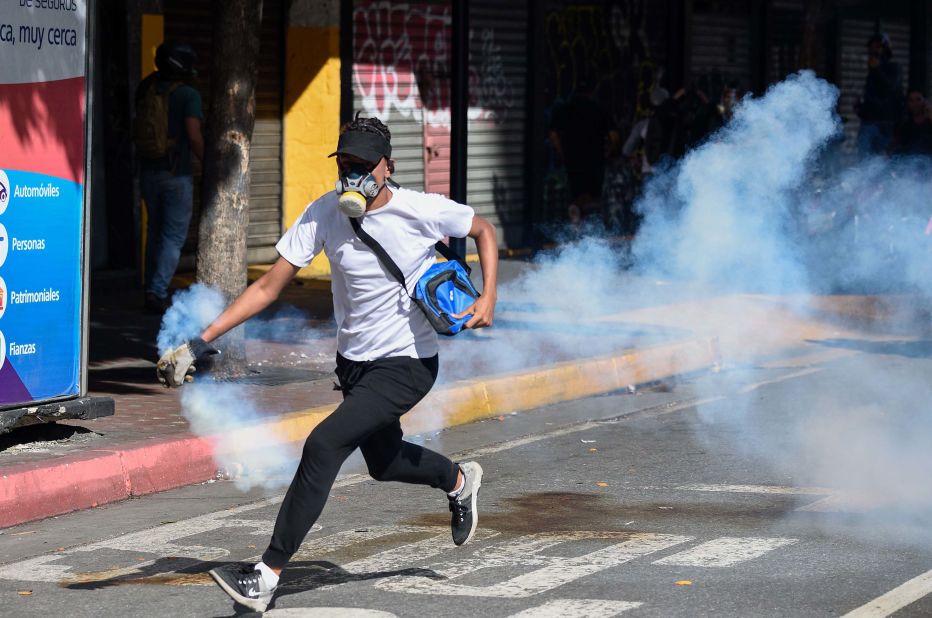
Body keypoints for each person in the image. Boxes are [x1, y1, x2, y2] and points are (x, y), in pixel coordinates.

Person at [155, 115, 499, 612]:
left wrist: (488, 296)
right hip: (354, 364)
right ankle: (459, 480)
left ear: (387, 168)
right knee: (383, 463)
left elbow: (484, 230)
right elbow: (268, 286)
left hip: (407, 363)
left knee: (323, 444)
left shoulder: (420, 209)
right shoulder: (323, 213)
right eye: (345, 165)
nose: (352, 176)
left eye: (363, 166)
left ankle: (266, 574)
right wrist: (199, 341)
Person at [135, 41, 204, 313]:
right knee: (173, 236)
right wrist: (209, 164)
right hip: (177, 174)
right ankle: (157, 290)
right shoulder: (188, 94)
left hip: (148, 172)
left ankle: (150, 287)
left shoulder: (146, 87)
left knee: (154, 232)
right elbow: (194, 135)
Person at [855, 33, 903, 157]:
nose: (874, 50)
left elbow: (889, 90)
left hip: (886, 124)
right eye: (872, 47)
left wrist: (876, 69)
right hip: (869, 123)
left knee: (883, 162)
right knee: (864, 161)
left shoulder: (894, 68)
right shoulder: (871, 73)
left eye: (878, 47)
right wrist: (860, 109)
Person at [888, 89, 932, 157]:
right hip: (909, 159)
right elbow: (895, 142)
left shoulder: (929, 119)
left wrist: (929, 112)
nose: (915, 103)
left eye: (918, 99)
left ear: (925, 101)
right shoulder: (904, 123)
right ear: (908, 103)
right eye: (911, 100)